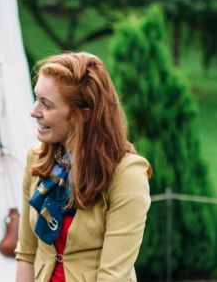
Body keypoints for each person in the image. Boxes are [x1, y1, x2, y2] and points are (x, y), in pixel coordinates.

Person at [14, 52, 151, 282]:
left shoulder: (127, 175)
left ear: (83, 115)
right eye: (36, 98)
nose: (34, 111)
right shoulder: (37, 157)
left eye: (46, 104)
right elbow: (26, 254)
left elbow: (112, 276)